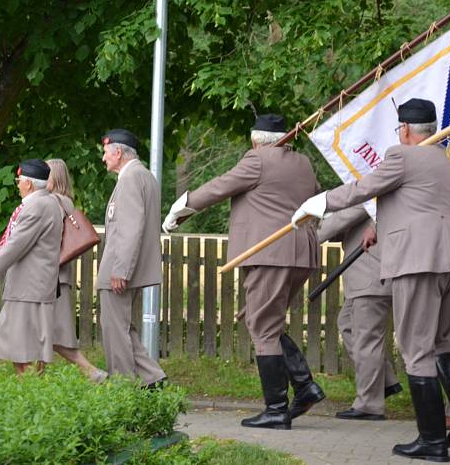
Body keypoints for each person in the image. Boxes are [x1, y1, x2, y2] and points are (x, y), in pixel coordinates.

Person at [293, 98, 450, 461]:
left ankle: (432, 442)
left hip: (419, 262)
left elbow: (364, 187)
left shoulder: (401, 156)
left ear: (404, 130)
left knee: (417, 348)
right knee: (442, 341)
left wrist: (320, 202)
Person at [163, 114, 324, 430]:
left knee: (262, 327)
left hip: (269, 252)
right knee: (268, 322)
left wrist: (181, 208)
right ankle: (305, 387)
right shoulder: (303, 162)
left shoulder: (258, 159)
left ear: (255, 140)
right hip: (302, 251)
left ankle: (277, 410)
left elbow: (220, 186)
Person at [0, 159, 63, 375]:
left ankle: (30, 393)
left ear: (29, 184)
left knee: (24, 345)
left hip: (28, 288)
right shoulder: (47, 202)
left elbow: (15, 245)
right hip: (32, 286)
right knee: (24, 342)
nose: (17, 185)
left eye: (19, 181)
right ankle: (30, 389)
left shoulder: (36, 207)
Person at [96, 129, 167, 388]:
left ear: (118, 152)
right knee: (123, 327)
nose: (103, 158)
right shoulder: (144, 176)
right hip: (129, 265)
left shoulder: (130, 178)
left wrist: (120, 270)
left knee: (114, 330)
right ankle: (152, 378)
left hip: (120, 267)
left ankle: (123, 388)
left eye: (105, 153)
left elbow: (129, 228)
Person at [317, 205, 402, 421]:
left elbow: (334, 224)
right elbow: (341, 228)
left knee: (367, 339)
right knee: (346, 323)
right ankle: (385, 382)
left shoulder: (368, 190)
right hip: (365, 275)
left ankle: (369, 405)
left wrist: (306, 225)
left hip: (371, 273)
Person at [45, 158, 108, 383]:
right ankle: (34, 379)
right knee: (46, 332)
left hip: (53, 277)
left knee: (54, 333)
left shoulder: (54, 203)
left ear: (55, 177)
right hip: (59, 276)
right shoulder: (66, 202)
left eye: (46, 174)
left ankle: (92, 372)